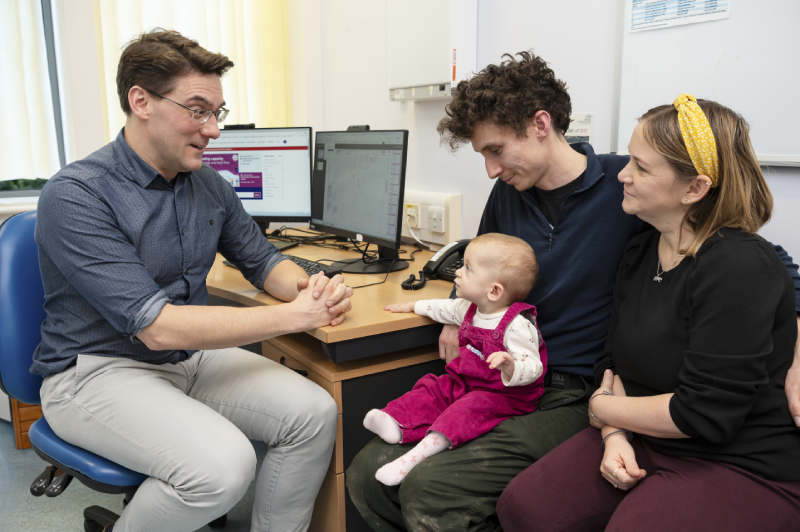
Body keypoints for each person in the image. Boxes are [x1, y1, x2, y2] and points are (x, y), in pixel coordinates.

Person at [345, 51, 800, 532]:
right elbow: (486, 276)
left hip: (574, 389)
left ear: (541, 124)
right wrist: (465, 319)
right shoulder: (516, 199)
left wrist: (798, 349)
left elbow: (758, 259)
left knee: (433, 486)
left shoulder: (628, 194)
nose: (490, 170)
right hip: (513, 374)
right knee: (366, 475)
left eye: (496, 150)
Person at [33, 29, 351, 532]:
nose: (214, 130)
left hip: (185, 363)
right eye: (198, 110)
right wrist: (293, 316)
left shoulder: (208, 184)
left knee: (314, 413)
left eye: (216, 113)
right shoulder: (76, 194)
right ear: (140, 100)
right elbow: (157, 327)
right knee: (223, 468)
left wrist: (311, 289)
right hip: (94, 374)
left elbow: (264, 262)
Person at [497, 95, 800, 531]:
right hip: (643, 434)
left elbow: (703, 414)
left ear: (694, 189)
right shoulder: (642, 248)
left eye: (640, 167)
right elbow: (610, 360)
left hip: (738, 459)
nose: (623, 174)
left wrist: (604, 410)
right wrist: (613, 435)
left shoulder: (738, 264)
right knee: (523, 506)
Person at [369, 234, 546, 485]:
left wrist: (511, 365)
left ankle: (412, 459)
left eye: (467, 268)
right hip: (469, 382)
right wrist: (412, 306)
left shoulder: (517, 326)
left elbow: (534, 367)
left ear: (494, 291)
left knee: (465, 410)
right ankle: (395, 422)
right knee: (434, 387)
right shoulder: (468, 308)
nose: (458, 273)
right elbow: (441, 308)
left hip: (507, 396)